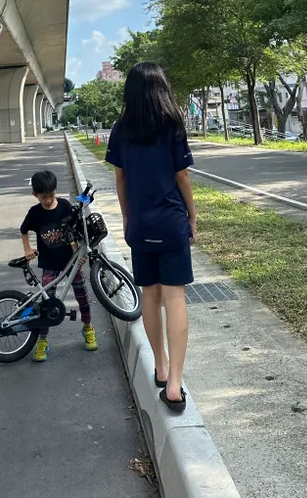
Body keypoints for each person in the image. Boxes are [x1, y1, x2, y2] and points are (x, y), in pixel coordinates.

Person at [106, 62, 196, 413]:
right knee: (175, 297)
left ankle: (159, 365)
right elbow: (183, 177)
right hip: (171, 223)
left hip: (140, 226)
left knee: (149, 296)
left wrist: (128, 218)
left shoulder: (120, 129)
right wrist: (191, 215)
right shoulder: (172, 126)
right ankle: (174, 383)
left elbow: (121, 179)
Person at [20, 169, 98, 361]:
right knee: (47, 305)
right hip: (49, 264)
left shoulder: (64, 206)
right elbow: (23, 230)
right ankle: (42, 340)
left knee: (83, 298)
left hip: (71, 263)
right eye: (44, 197)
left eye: (51, 195)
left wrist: (80, 253)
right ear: (35, 195)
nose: (48, 200)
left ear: (56, 191)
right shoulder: (35, 213)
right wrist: (27, 249)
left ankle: (88, 327)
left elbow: (78, 231)